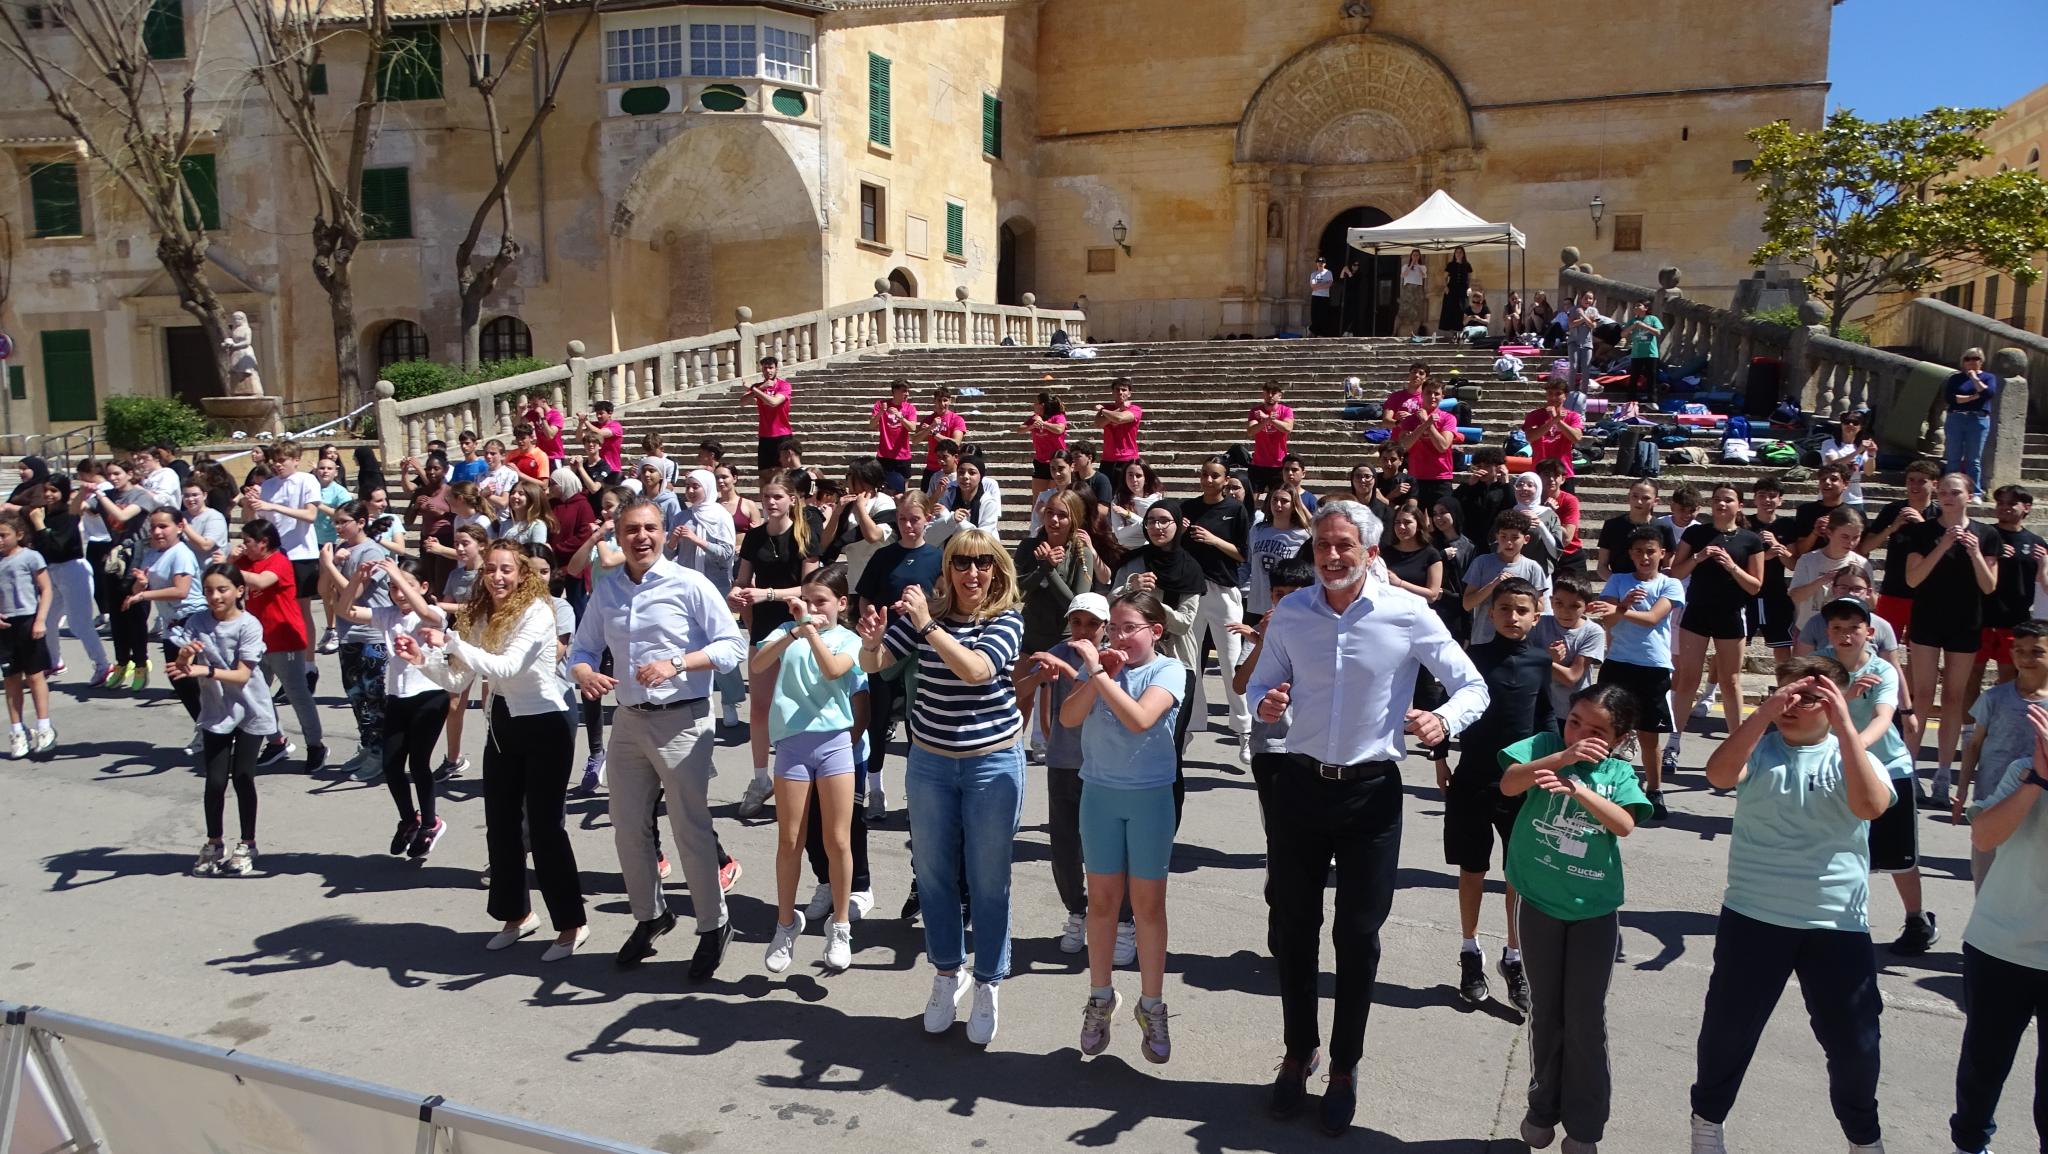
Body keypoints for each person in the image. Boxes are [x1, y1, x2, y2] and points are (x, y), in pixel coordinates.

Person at [1247, 500, 1488, 1135]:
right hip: (1299, 787)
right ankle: (1299, 1053)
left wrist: (1443, 721)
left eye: (1344, 546)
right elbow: (1260, 686)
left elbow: (1473, 687)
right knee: (1292, 929)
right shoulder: (1293, 612)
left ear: (1370, 553)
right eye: (1323, 546)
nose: (1331, 557)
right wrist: (1266, 702)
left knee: (1357, 937)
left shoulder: (1408, 613)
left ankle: (1344, 1067)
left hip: (1372, 795)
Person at [1690, 657, 1894, 1154]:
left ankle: (1863, 1139)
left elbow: (1869, 805)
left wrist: (1846, 726)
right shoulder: (1759, 750)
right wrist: (1761, 715)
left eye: (1810, 697)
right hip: (1754, 917)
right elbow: (1717, 775)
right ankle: (1707, 1124)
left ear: (1836, 704)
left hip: (1836, 923)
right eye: (1787, 692)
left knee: (1855, 1048)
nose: (1794, 704)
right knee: (1728, 1033)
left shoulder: (1855, 757)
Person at [857, 527, 1028, 1047]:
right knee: (932, 876)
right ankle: (947, 974)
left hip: (991, 764)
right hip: (930, 764)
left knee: (988, 878)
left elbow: (977, 670)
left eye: (982, 564)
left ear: (996, 569)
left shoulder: (1006, 619)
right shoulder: (924, 620)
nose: (972, 573)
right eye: (961, 563)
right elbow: (874, 666)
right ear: (947, 570)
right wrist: (870, 639)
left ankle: (989, 981)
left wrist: (927, 623)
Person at [568, 498, 746, 976]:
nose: (640, 537)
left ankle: (713, 924)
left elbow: (733, 645)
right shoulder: (607, 590)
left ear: (666, 533)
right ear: (619, 537)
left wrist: (679, 663)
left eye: (649, 528)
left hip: (682, 719)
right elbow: (582, 648)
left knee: (689, 827)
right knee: (627, 825)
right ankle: (651, 916)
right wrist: (584, 671)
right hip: (627, 720)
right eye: (631, 529)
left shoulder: (690, 584)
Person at [404, 539, 588, 960]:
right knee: (501, 825)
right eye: (490, 569)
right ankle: (517, 915)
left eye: (506, 569)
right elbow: (456, 681)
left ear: (522, 573)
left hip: (546, 722)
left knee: (544, 829)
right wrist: (422, 659)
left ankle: (572, 924)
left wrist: (450, 640)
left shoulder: (537, 612)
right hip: (504, 721)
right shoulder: (481, 615)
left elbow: (508, 667)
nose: (497, 577)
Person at [1500, 683, 1648, 1153]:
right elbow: (1509, 783)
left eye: (1597, 730)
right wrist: (1560, 760)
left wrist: (1579, 788)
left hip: (1594, 912)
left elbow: (1624, 824)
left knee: (1585, 1019)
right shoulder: (1546, 747)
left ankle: (1584, 1128)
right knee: (1545, 1012)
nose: (1580, 734)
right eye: (1575, 721)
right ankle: (1542, 1109)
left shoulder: (1619, 771)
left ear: (1619, 738)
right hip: (1538, 901)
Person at [1059, 589, 1185, 1064]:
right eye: (1113, 627)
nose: (1117, 636)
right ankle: (1099, 997)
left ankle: (1151, 1003)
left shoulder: (1169, 670)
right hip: (1100, 795)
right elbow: (1069, 718)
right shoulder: (1105, 671)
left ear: (1154, 632)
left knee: (1149, 906)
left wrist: (1096, 671)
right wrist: (1098, 675)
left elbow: (1139, 719)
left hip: (1150, 798)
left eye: (1129, 627)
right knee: (1103, 902)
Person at [1446, 577, 1550, 1012]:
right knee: (1472, 870)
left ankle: (1514, 956)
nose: (1512, 617)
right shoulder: (1473, 657)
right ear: (1491, 613)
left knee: (1516, 876)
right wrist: (1439, 760)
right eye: (1504, 609)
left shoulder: (1542, 662)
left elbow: (1547, 720)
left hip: (1520, 783)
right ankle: (1470, 953)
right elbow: (1449, 707)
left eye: (1521, 610)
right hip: (1471, 778)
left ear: (1535, 615)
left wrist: (1555, 767)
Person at [1948, 701, 2048, 1154]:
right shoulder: (2023, 771)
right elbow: (1984, 836)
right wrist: (2038, 781)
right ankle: (1970, 1145)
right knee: (1983, 1067)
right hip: (1999, 948)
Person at [754, 564, 862, 974]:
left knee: (837, 840)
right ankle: (785, 924)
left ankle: (841, 924)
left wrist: (810, 630)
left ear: (841, 603)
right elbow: (759, 665)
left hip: (834, 743)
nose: (815, 609)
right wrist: (795, 631)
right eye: (809, 600)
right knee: (789, 839)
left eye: (823, 602)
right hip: (792, 745)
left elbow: (835, 670)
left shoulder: (848, 639)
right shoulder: (789, 632)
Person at [1814, 596, 1935, 957]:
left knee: (1900, 857)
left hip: (1888, 770)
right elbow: (1815, 710)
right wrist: (1847, 696)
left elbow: (1884, 717)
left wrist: (1856, 750)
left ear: (1869, 632)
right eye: (1837, 628)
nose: (1845, 635)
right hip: (1836, 769)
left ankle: (1916, 919)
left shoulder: (1881, 669)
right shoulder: (1821, 665)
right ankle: (1835, 920)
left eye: (1853, 627)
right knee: (1840, 848)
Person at [342, 556, 453, 859]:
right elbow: (345, 610)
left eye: (405, 586)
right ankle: (409, 819)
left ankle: (431, 823)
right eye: (392, 587)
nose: (398, 593)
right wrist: (358, 580)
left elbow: (424, 611)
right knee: (391, 764)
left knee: (419, 763)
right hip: (398, 697)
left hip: (430, 696)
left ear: (424, 586)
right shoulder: (388, 614)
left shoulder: (434, 613)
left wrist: (397, 574)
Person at [172, 564, 275, 877]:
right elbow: (181, 665)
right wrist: (185, 656)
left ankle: (248, 843)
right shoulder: (197, 621)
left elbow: (243, 675)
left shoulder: (249, 625)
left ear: (239, 591)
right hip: (217, 711)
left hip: (250, 708)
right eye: (208, 590)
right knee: (215, 781)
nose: (215, 596)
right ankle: (214, 843)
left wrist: (204, 670)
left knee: (243, 776)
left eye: (222, 589)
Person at [1903, 472, 1999, 807]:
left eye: (1954, 492)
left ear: (1969, 496)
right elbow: (1913, 579)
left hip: (1965, 622)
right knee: (1923, 694)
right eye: (1942, 491)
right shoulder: (1923, 531)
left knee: (1956, 698)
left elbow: (1989, 586)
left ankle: (1944, 774)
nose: (1946, 496)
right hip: (1928, 619)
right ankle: (1909, 771)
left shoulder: (1986, 535)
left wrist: (1973, 553)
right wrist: (1942, 545)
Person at [733, 472, 820, 814]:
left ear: (792, 500)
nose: (771, 502)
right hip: (763, 626)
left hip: (795, 623)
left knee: (798, 702)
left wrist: (768, 593)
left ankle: (805, 775)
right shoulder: (754, 538)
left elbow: (811, 587)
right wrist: (737, 595)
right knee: (760, 706)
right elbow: (741, 581)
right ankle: (760, 778)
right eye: (766, 497)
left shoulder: (804, 535)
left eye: (777, 497)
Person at [854, 490, 944, 823]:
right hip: (885, 649)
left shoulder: (937, 557)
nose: (908, 525)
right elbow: (863, 598)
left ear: (927, 520)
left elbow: (945, 599)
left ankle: (916, 792)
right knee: (876, 722)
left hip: (922, 651)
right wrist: (871, 624)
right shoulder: (882, 556)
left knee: (915, 723)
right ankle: (874, 790)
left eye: (914, 519)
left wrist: (921, 609)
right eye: (902, 519)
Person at [1668, 483, 1766, 765]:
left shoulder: (1750, 540)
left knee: (1731, 680)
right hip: (1697, 612)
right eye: (1717, 500)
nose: (1722, 505)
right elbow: (1675, 572)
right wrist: (1699, 558)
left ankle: (1738, 747)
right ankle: (1673, 743)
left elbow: (1755, 586)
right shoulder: (1697, 533)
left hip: (1731, 613)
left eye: (1728, 500)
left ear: (1739, 506)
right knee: (1688, 677)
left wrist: (1731, 566)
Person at [1590, 526, 1684, 821]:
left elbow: (1654, 618)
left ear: (1662, 554)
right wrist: (1620, 606)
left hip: (1652, 666)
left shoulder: (1670, 584)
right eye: (1638, 551)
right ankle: (1597, 784)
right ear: (1630, 554)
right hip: (1618, 661)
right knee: (1605, 727)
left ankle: (1654, 789)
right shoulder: (1617, 580)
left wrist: (1620, 608)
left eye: (1650, 551)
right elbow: (1606, 620)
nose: (1644, 557)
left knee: (1649, 734)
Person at [1955, 620, 2048, 887]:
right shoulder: (1995, 698)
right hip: (1991, 801)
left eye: (2037, 651)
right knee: (1985, 878)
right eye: (2019, 650)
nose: (2026, 658)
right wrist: (1962, 789)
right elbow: (1974, 745)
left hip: (2039, 804)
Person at [1182, 457, 1253, 764]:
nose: (1208, 480)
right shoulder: (1187, 507)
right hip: (1193, 592)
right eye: (1204, 475)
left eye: (1215, 476)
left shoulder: (1235, 510)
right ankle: (1188, 728)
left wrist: (1212, 539)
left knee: (1231, 662)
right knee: (1189, 661)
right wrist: (1179, 532)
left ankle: (1245, 731)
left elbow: (1241, 555)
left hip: (1224, 591)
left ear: (1226, 480)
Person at [236, 520, 321, 772]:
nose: (243, 546)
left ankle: (315, 745)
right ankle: (276, 741)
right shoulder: (244, 563)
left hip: (285, 639)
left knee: (297, 694)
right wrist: (229, 563)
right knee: (255, 694)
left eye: (248, 541)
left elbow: (262, 582)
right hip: (255, 641)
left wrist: (228, 568)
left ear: (263, 542)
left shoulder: (279, 561)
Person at [320, 501, 395, 783]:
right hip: (347, 633)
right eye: (336, 522)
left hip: (371, 634)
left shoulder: (372, 551)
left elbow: (353, 591)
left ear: (361, 522)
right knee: (355, 696)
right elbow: (323, 590)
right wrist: (327, 565)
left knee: (373, 697)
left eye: (344, 522)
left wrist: (331, 565)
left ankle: (381, 753)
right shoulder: (342, 550)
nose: (338, 527)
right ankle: (368, 746)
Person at [26, 474, 111, 684]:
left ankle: (103, 665)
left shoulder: (69, 515)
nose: (48, 494)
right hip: (51, 572)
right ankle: (54, 662)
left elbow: (57, 545)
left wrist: (39, 525)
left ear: (63, 493)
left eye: (54, 490)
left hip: (72, 570)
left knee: (79, 623)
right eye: (46, 490)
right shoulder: (43, 513)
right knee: (46, 620)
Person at [133, 509, 208, 739]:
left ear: (179, 527)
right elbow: (139, 589)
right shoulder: (152, 554)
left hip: (192, 621)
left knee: (195, 681)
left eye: (163, 526)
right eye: (154, 526)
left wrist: (145, 595)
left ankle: (215, 729)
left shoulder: (180, 553)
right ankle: (204, 728)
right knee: (180, 680)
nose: (157, 531)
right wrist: (141, 585)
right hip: (172, 625)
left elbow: (181, 591)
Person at [244, 441, 322, 663]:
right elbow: (256, 523)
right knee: (272, 607)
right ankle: (275, 658)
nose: (277, 466)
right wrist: (250, 506)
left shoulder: (307, 480)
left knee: (301, 609)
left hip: (301, 553)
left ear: (295, 459)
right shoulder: (268, 486)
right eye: (274, 461)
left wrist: (273, 507)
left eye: (282, 461)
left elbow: (310, 515)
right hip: (274, 555)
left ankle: (308, 663)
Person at [1976, 485, 2043, 690]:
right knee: (1972, 674)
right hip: (1981, 616)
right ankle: (1969, 723)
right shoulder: (1984, 535)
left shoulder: (2036, 543)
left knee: (2009, 677)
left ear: (2026, 508)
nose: (2004, 507)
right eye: (2000, 503)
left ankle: (2001, 721)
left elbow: (2042, 584)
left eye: (2011, 503)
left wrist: (2044, 564)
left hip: (2014, 619)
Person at [0, 513, 54, 756]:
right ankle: (17, 730)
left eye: (4, 535)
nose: (0, 540)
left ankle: (44, 727)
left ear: (18, 535)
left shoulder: (31, 557)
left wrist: (40, 620)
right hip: (5, 624)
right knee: (11, 678)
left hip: (29, 619)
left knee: (34, 676)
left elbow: (46, 589)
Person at [1463, 511, 1550, 644]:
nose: (1509, 542)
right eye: (1503, 536)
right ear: (1497, 537)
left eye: (1515, 537)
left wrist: (1520, 590)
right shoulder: (1482, 563)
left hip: (1520, 640)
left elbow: (1541, 607)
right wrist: (1493, 585)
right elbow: (1467, 604)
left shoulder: (1533, 568)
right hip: (1485, 639)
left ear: (1526, 539)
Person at [1535, 574, 1606, 734]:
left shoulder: (1593, 632)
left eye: (1574, 606)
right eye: (1559, 603)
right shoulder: (1539, 623)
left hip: (1572, 712)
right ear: (1551, 601)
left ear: (1587, 607)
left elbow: (1571, 677)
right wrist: (1548, 658)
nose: (1565, 611)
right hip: (1541, 707)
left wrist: (1546, 660)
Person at [1747, 476, 1800, 669]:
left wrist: (1777, 546)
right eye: (1762, 495)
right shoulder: (1745, 523)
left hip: (1775, 593)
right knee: (1733, 643)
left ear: (1780, 500)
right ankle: (1713, 690)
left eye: (1772, 496)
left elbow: (1793, 564)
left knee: (1782, 646)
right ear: (1755, 499)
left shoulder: (1787, 525)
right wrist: (1765, 556)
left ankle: (1786, 688)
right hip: (1747, 592)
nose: (1767, 500)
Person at [1395, 375, 1457, 516]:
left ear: (1442, 396)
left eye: (1437, 393)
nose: (1433, 397)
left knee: (1441, 520)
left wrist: (1429, 425)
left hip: (1441, 478)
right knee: (1416, 520)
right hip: (1416, 477)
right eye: (1428, 392)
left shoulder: (1448, 418)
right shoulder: (1411, 420)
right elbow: (1404, 447)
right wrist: (1424, 424)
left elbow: (1442, 446)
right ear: (1422, 395)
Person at [1249, 487, 1313, 622]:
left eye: (1284, 501)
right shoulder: (1258, 530)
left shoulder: (1304, 535)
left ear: (1294, 505)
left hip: (1285, 604)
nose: (1278, 505)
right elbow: (1248, 562)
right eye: (1275, 500)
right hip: (1256, 602)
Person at [1943, 347, 1998, 498]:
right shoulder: (1955, 378)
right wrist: (1973, 398)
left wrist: (1974, 378)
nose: (1971, 362)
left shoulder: (1988, 377)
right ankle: (1949, 490)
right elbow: (1951, 399)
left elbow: (1988, 393)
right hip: (1956, 418)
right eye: (1968, 358)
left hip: (1978, 419)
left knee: (1973, 459)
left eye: (1975, 358)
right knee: (1953, 457)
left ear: (1981, 361)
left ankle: (1975, 493)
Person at [1595, 479, 1670, 580]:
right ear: (1628, 497)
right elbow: (1602, 566)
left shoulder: (1663, 527)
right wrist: (1618, 584)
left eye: (1645, 498)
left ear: (1655, 501)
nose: (1639, 502)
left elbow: (1667, 567)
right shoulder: (1612, 526)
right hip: (1619, 587)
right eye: (1635, 496)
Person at [1453, 446, 1514, 553]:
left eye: (1487, 466)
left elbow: (1511, 506)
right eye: (1479, 466)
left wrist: (1506, 482)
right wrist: (1468, 485)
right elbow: (1453, 503)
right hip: (1471, 540)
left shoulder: (1504, 487)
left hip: (1495, 540)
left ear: (1497, 467)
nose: (1483, 470)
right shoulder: (1472, 486)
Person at [1523, 379, 1585, 483]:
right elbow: (1530, 437)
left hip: (1564, 471)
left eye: (1558, 394)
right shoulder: (1534, 415)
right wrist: (1553, 421)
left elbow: (1576, 438)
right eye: (1550, 393)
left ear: (1565, 396)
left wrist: (1557, 420)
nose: (1553, 397)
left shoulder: (1573, 416)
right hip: (1539, 471)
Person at [743, 355, 794, 475]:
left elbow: (774, 402)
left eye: (771, 367)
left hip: (782, 434)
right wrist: (760, 388)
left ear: (776, 369)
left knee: (782, 475)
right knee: (764, 475)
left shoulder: (784, 385)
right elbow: (742, 402)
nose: (768, 371)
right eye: (765, 368)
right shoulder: (759, 387)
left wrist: (754, 390)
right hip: (765, 435)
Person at [1245, 381, 1295, 496]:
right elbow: (1251, 431)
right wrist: (1267, 420)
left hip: (1278, 464)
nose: (1270, 396)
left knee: (1277, 499)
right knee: (1251, 500)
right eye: (1267, 392)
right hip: (1258, 463)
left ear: (1280, 396)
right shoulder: (1255, 411)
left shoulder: (1286, 410)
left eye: (1273, 392)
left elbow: (1287, 428)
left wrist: (1269, 419)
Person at [1020, 391, 1069, 507]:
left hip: (1057, 461)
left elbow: (1059, 429)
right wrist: (1032, 426)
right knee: (1037, 498)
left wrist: (1043, 424)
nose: (1033, 405)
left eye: (1035, 403)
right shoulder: (1034, 418)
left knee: (1055, 496)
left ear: (1042, 405)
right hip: (1040, 461)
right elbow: (1020, 429)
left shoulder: (1058, 417)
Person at [916, 385, 968, 494]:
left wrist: (933, 433)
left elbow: (955, 443)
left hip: (951, 469)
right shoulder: (929, 420)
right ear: (934, 401)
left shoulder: (957, 419)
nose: (942, 404)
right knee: (926, 503)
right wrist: (930, 428)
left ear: (950, 401)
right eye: (939, 400)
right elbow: (915, 440)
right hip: (931, 467)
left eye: (945, 400)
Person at [1819, 411, 1877, 506]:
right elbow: (1833, 464)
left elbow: (1869, 472)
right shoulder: (1829, 444)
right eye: (1847, 422)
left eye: (1855, 423)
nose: (1851, 425)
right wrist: (1858, 451)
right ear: (1841, 425)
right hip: (1830, 498)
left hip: (1854, 498)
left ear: (1860, 427)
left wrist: (1871, 455)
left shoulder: (1862, 446)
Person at [872, 378, 919, 494]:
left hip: (902, 455)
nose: (907, 394)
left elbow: (912, 428)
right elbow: (871, 425)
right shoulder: (880, 405)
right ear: (894, 392)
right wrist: (881, 412)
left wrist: (900, 416)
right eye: (903, 391)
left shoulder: (910, 408)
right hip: (884, 454)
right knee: (881, 487)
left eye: (907, 391)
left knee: (902, 489)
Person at [1095, 378, 1144, 471]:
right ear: (1113, 392)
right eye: (1117, 390)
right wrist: (1120, 408)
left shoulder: (1135, 409)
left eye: (1124, 390)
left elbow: (1119, 418)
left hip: (1128, 458)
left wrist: (1102, 410)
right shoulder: (1108, 408)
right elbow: (1098, 424)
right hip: (1107, 459)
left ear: (1130, 393)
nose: (1120, 392)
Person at [1621, 301, 1664, 402]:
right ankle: (1630, 399)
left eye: (1638, 305)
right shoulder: (1632, 321)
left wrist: (1644, 326)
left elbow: (1658, 332)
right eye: (1635, 306)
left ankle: (1652, 400)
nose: (1635, 307)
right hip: (1637, 354)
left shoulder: (1653, 319)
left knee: (1651, 377)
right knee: (1634, 377)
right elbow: (1623, 334)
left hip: (1651, 353)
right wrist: (1632, 327)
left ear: (1646, 308)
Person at [1439, 246, 1472, 334]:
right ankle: (1453, 332)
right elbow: (1444, 277)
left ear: (1463, 254)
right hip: (1451, 290)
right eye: (1457, 252)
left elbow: (1470, 279)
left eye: (1460, 252)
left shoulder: (1467, 265)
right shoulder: (1450, 265)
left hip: (1463, 290)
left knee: (1462, 309)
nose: (1458, 254)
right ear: (1454, 254)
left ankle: (1460, 332)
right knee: (1451, 309)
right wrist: (1445, 286)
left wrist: (1469, 288)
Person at [1396, 249, 1427, 334]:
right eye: (1414, 255)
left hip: (1417, 290)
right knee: (1402, 312)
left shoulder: (1422, 267)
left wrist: (1418, 266)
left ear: (1419, 256)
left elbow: (1423, 276)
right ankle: (1394, 332)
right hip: (1408, 290)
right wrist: (1411, 265)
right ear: (1411, 256)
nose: (1415, 257)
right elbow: (1403, 275)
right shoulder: (1405, 266)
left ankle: (1414, 334)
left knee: (1417, 314)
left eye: (1417, 255)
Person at [1308, 256, 1335, 337]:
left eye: (1322, 263)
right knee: (1314, 315)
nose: (1320, 264)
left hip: (1325, 297)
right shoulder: (1313, 274)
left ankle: (1322, 333)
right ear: (1316, 263)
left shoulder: (1328, 273)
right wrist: (1324, 284)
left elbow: (1330, 284)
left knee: (1323, 315)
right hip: (1315, 296)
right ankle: (1314, 332)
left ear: (1325, 264)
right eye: (1319, 262)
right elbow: (1312, 286)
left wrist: (1318, 286)